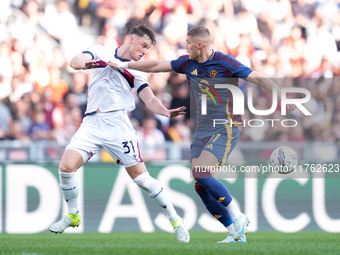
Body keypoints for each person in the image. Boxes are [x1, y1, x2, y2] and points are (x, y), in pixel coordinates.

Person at [108, 25, 296, 243]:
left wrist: (281, 94)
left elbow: (260, 78)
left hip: (224, 126)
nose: (185, 47)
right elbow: (158, 65)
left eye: (188, 43)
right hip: (202, 129)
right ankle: (236, 233)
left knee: (201, 172)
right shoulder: (188, 63)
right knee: (200, 184)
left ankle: (239, 216)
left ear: (200, 44)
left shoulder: (226, 63)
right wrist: (124, 65)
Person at [49, 24, 190, 243]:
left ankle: (176, 222)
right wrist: (83, 64)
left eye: (148, 50)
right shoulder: (101, 51)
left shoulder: (137, 68)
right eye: (143, 45)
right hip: (92, 122)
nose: (144, 52)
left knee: (142, 179)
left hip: (117, 124)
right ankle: (73, 215)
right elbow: (75, 60)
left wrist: (164, 111)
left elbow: (149, 98)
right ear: (131, 39)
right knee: (66, 168)